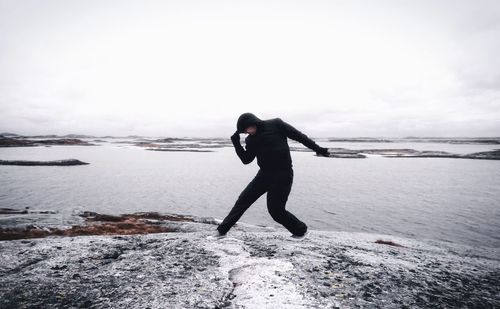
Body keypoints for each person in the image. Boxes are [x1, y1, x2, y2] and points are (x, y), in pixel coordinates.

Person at [215, 112, 330, 238]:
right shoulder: (251, 140)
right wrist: (236, 143)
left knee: (276, 210)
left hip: (283, 175)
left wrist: (318, 149)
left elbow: (300, 137)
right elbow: (246, 160)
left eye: (246, 130)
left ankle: (301, 231)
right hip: (263, 175)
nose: (247, 133)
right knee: (243, 200)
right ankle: (221, 231)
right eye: (244, 132)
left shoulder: (276, 124)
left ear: (251, 123)